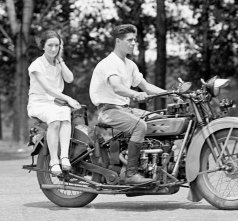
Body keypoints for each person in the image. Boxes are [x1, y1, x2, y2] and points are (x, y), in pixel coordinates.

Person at [89, 24, 166, 184]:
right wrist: (135, 94)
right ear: (118, 41)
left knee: (160, 121)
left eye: (134, 40)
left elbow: (147, 86)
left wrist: (173, 94)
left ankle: (154, 164)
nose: (133, 43)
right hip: (108, 110)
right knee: (140, 126)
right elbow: (117, 87)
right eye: (130, 40)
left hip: (125, 109)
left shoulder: (130, 65)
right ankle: (131, 174)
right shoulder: (109, 62)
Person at [27, 30, 81, 175]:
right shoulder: (36, 65)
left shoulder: (58, 64)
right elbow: (48, 89)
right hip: (38, 103)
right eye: (50, 45)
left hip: (55, 103)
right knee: (56, 120)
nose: (53, 49)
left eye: (56, 45)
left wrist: (61, 60)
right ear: (42, 46)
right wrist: (68, 99)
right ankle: (54, 161)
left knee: (65, 114)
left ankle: (64, 157)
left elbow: (69, 78)